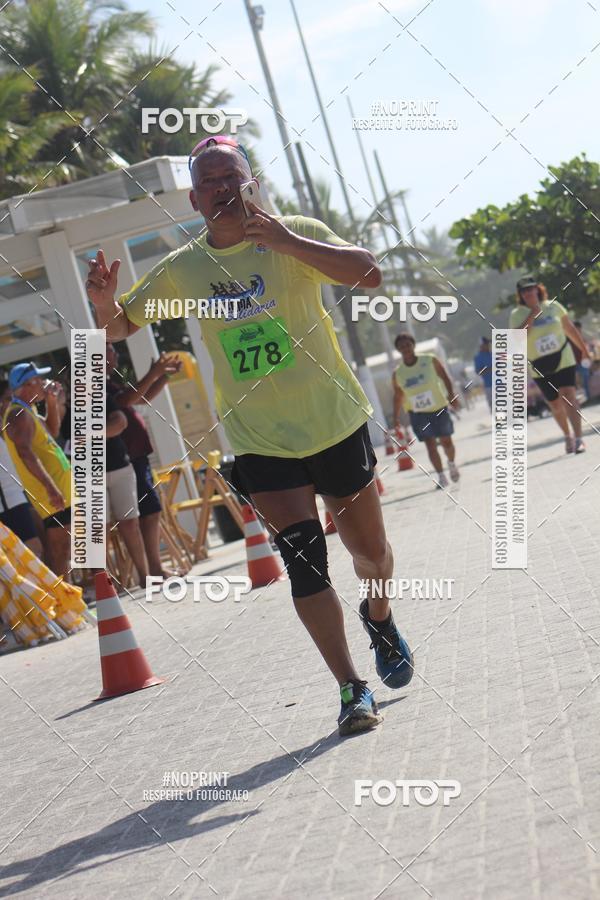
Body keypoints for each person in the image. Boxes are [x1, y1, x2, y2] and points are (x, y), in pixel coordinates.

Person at [85, 134, 414, 736]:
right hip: (261, 439)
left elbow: (369, 273)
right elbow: (119, 325)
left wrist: (288, 241)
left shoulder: (295, 232)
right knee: (305, 566)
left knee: (371, 554)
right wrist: (104, 305)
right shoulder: (185, 267)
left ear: (250, 181)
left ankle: (380, 613)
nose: (221, 187)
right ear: (193, 199)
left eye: (230, 175)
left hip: (333, 422)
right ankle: (350, 687)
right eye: (209, 180)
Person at [106, 343, 183, 578]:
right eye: (110, 349)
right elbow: (129, 399)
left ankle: (155, 569)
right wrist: (154, 373)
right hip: (128, 460)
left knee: (152, 511)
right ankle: (153, 570)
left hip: (138, 457)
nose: (115, 354)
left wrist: (164, 376)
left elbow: (143, 397)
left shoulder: (111, 381)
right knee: (148, 512)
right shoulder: (98, 384)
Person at [2, 363, 71, 577]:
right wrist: (50, 488)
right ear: (26, 385)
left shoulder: (27, 410)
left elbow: (51, 430)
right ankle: (62, 598)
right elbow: (25, 453)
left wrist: (51, 402)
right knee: (59, 547)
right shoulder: (18, 414)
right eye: (38, 381)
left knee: (65, 545)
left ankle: (67, 595)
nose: (43, 384)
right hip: (48, 491)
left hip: (57, 487)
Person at [510, 276, 590, 453]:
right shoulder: (517, 314)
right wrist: (533, 314)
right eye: (524, 291)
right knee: (555, 404)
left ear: (538, 289)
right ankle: (567, 435)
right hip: (539, 365)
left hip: (563, 357)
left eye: (531, 289)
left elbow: (569, 329)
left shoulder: (554, 306)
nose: (529, 293)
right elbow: (517, 338)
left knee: (569, 396)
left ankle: (579, 439)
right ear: (520, 295)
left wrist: (584, 350)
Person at [392, 332, 460, 489]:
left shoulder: (429, 360)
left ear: (413, 345)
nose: (406, 349)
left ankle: (451, 463)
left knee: (446, 441)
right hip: (418, 414)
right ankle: (441, 476)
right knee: (430, 444)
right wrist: (395, 418)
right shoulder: (398, 373)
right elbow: (398, 395)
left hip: (438, 408)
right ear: (398, 350)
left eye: (408, 345)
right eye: (402, 347)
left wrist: (452, 395)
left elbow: (445, 377)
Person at [105, 388, 149, 588]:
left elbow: (120, 423)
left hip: (120, 467)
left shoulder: (104, 397)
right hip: (89, 475)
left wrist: (89, 432)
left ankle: (145, 577)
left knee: (131, 525)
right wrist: (106, 428)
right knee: (99, 530)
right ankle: (104, 584)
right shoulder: (67, 406)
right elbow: (68, 437)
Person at [0, 379, 43, 558]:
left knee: (36, 547)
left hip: (20, 495)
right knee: (31, 550)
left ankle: (47, 585)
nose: (12, 404)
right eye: (9, 399)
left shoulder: (11, 423)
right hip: (7, 500)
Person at [474, 336, 493, 411]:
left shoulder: (493, 354)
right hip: (489, 386)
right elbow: (479, 372)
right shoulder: (478, 357)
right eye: (486, 344)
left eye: (488, 343)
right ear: (481, 345)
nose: (489, 345)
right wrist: (490, 369)